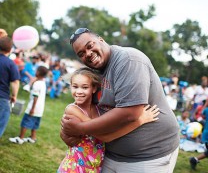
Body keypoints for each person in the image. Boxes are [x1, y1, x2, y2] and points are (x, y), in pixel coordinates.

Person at [60, 28, 180, 173]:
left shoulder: (128, 60)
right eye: (82, 54)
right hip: (108, 155)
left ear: (101, 39)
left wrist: (80, 128)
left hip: (148, 156)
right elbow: (86, 111)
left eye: (90, 46)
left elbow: (130, 113)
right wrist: (67, 133)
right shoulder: (94, 71)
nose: (88, 54)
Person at [58, 67, 159, 173]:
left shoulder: (98, 108)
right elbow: (105, 136)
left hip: (94, 168)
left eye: (84, 87)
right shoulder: (72, 109)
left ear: (93, 88)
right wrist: (140, 120)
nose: (78, 91)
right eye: (75, 87)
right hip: (74, 168)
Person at [9, 65, 48, 144]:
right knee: (35, 123)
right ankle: (33, 137)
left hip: (33, 107)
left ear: (38, 72)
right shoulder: (43, 83)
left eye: (36, 71)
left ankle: (20, 138)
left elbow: (35, 97)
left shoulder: (37, 84)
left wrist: (32, 109)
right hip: (40, 108)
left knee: (25, 122)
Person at [0, 36, 20, 138]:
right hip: (2, 97)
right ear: (10, 49)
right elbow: (15, 82)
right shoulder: (10, 64)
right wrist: (14, 96)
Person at [189, 98, 208, 170]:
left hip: (205, 135)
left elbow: (202, 112)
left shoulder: (206, 110)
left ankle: (194, 160)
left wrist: (206, 103)